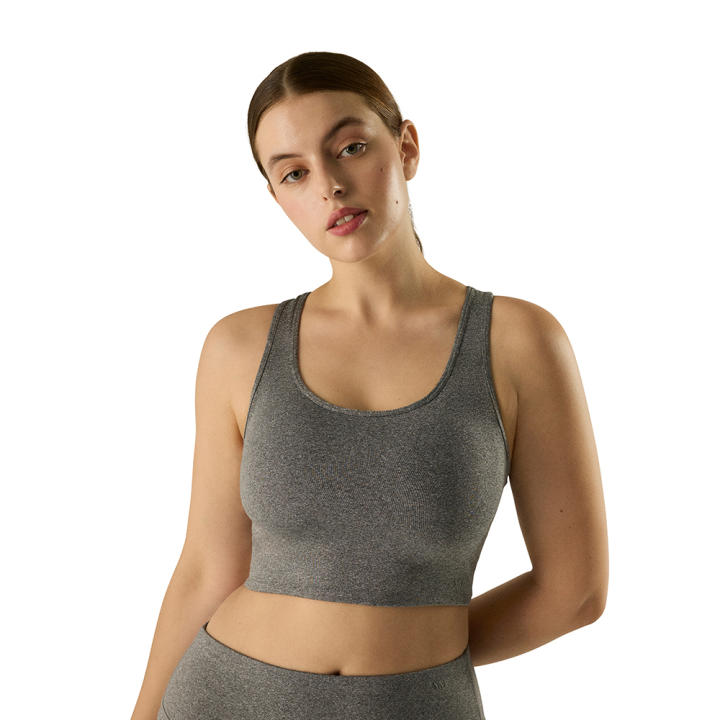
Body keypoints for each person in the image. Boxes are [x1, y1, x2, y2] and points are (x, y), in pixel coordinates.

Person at [131, 51, 608, 720]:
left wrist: (412, 660)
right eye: (294, 172)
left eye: (350, 148)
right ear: (277, 198)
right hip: (223, 697)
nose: (329, 185)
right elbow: (207, 569)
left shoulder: (517, 341)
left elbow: (576, 592)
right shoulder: (239, 347)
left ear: (406, 146)